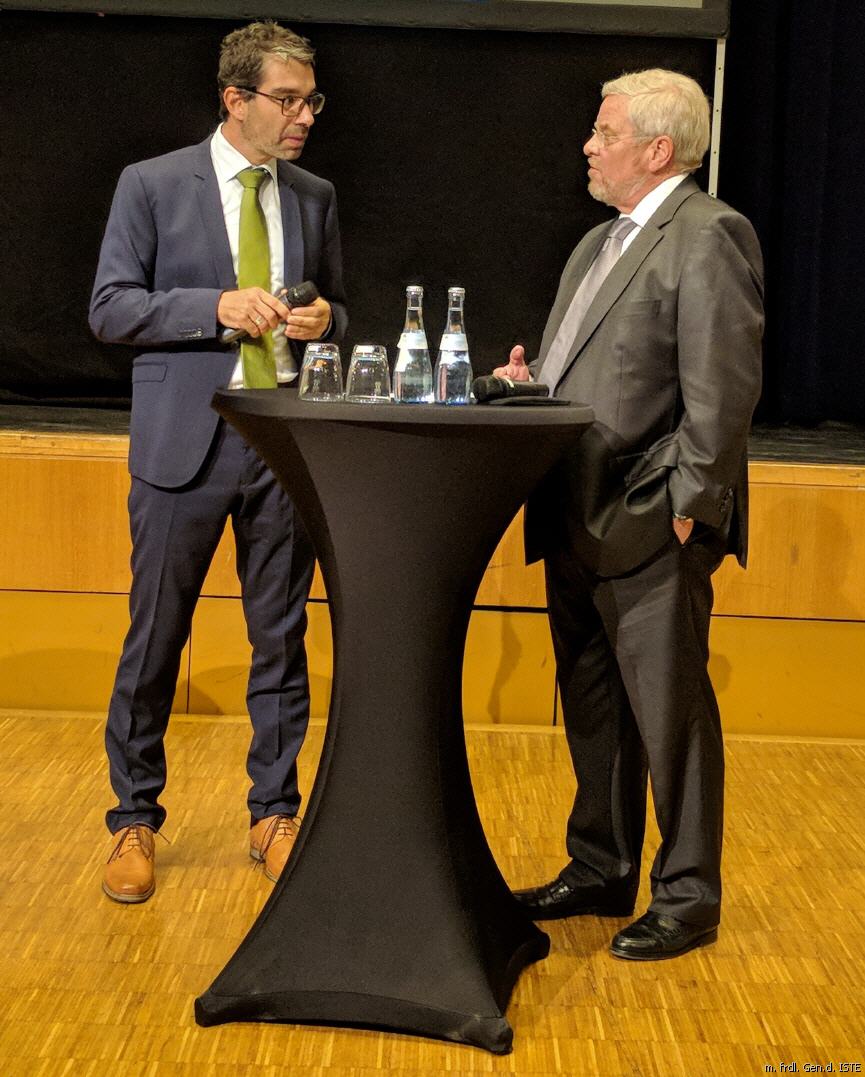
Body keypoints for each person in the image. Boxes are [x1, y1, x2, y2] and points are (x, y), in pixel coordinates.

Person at [497, 69, 763, 960]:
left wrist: (688, 509)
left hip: (651, 517)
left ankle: (687, 894)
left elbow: (722, 391)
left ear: (656, 149)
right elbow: (584, 371)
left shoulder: (709, 233)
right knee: (593, 703)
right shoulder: (594, 244)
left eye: (604, 132)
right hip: (573, 510)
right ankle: (599, 865)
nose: (587, 145)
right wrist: (526, 388)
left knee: (669, 714)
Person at [90, 21, 347, 903]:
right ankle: (132, 818)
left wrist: (325, 321)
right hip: (184, 442)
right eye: (288, 100)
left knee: (281, 637)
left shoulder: (312, 195)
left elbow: (338, 306)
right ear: (235, 99)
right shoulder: (153, 183)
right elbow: (110, 307)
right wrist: (215, 307)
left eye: (311, 100)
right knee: (155, 637)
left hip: (283, 442)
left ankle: (273, 811)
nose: (304, 116)